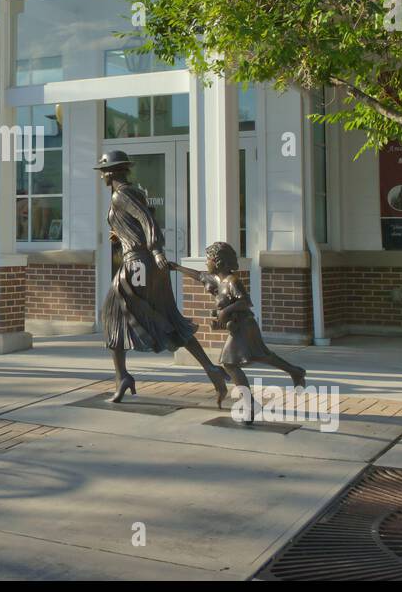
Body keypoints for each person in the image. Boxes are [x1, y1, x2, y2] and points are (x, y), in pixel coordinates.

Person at [97, 150, 229, 404]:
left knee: (113, 313)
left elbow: (148, 222)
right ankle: (211, 371)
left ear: (112, 172)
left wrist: (155, 249)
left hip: (137, 266)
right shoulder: (129, 193)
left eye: (103, 170)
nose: (101, 175)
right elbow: (138, 224)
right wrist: (123, 237)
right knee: (164, 317)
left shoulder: (120, 194)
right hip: (142, 263)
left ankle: (122, 376)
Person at [199, 240, 307, 422]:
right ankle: (295, 371)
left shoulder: (232, 281)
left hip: (245, 326)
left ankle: (250, 405)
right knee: (263, 356)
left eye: (208, 259)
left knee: (229, 363)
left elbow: (245, 302)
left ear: (218, 261)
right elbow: (198, 276)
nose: (206, 262)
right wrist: (176, 267)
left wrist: (225, 310)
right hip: (240, 327)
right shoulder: (218, 280)